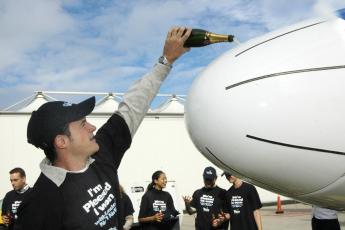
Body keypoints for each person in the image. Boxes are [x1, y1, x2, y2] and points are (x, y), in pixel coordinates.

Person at [14, 26, 192, 230]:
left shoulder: (101, 153)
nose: (92, 127)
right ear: (61, 142)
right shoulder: (40, 204)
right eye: (82, 125)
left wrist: (166, 61)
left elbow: (132, 106)